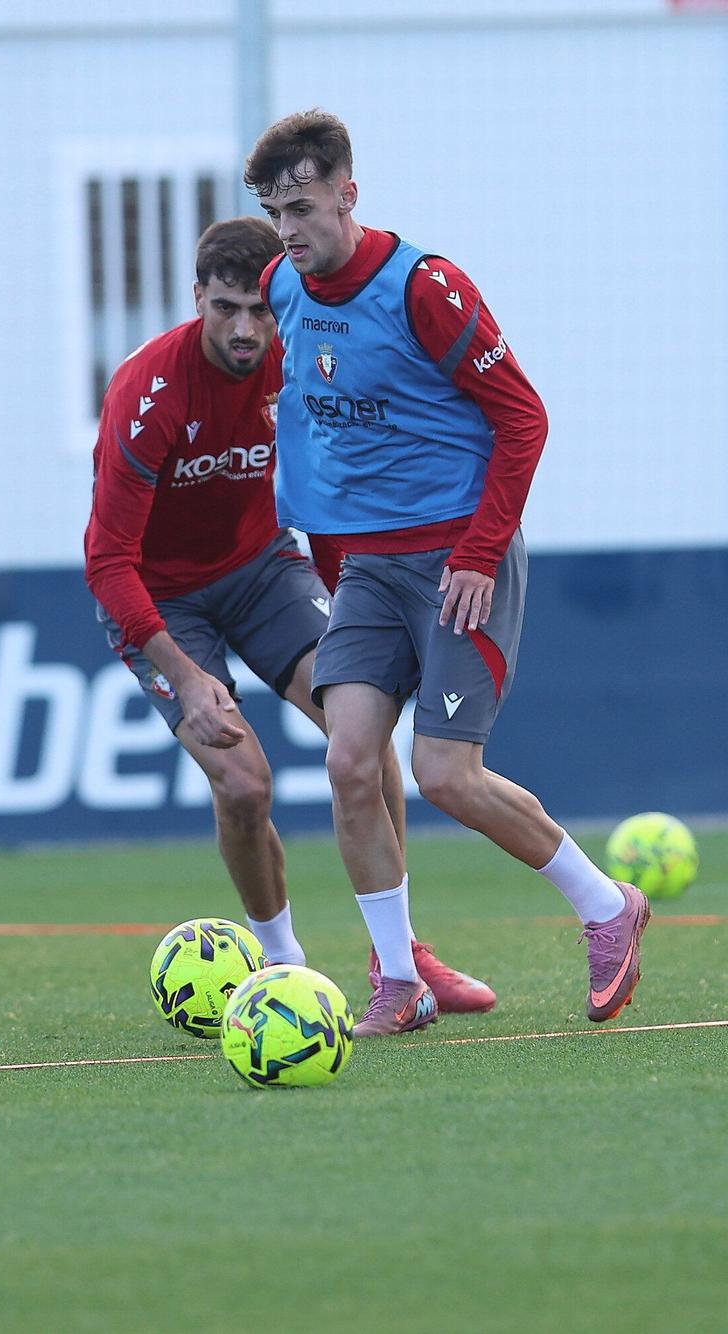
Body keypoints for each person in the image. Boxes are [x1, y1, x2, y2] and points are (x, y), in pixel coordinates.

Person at [245, 109, 648, 1035]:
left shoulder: (425, 287)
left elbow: (524, 419)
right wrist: (332, 561)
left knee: (446, 776)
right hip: (368, 569)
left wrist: (477, 551)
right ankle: (399, 979)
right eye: (277, 213)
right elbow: (320, 433)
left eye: (302, 205)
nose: (291, 229)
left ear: (349, 191)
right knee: (349, 761)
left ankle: (605, 907)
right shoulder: (281, 286)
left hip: (462, 555)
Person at [84, 216, 493, 1013]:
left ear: (283, 300)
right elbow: (107, 562)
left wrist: (354, 595)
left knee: (361, 736)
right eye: (226, 308)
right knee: (242, 784)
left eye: (260, 310)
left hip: (264, 568)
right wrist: (189, 678)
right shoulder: (148, 393)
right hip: (161, 595)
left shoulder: (302, 358)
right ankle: (281, 968)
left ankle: (398, 963)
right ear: (196, 297)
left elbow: (333, 479)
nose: (245, 329)